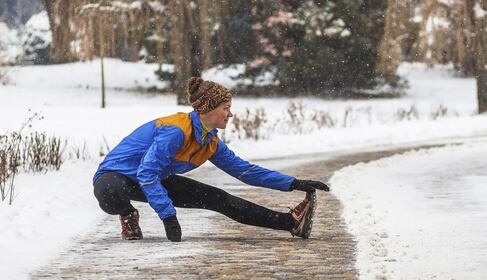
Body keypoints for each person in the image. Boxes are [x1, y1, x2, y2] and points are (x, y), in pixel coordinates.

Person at [92, 76, 330, 242]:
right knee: (111, 194)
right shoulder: (175, 131)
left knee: (220, 199)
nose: (231, 113)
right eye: (226, 107)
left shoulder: (210, 142)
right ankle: (127, 214)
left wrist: (293, 183)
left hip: (152, 178)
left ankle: (290, 223)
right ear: (208, 109)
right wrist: (168, 216)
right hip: (116, 176)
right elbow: (146, 172)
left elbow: (245, 171)